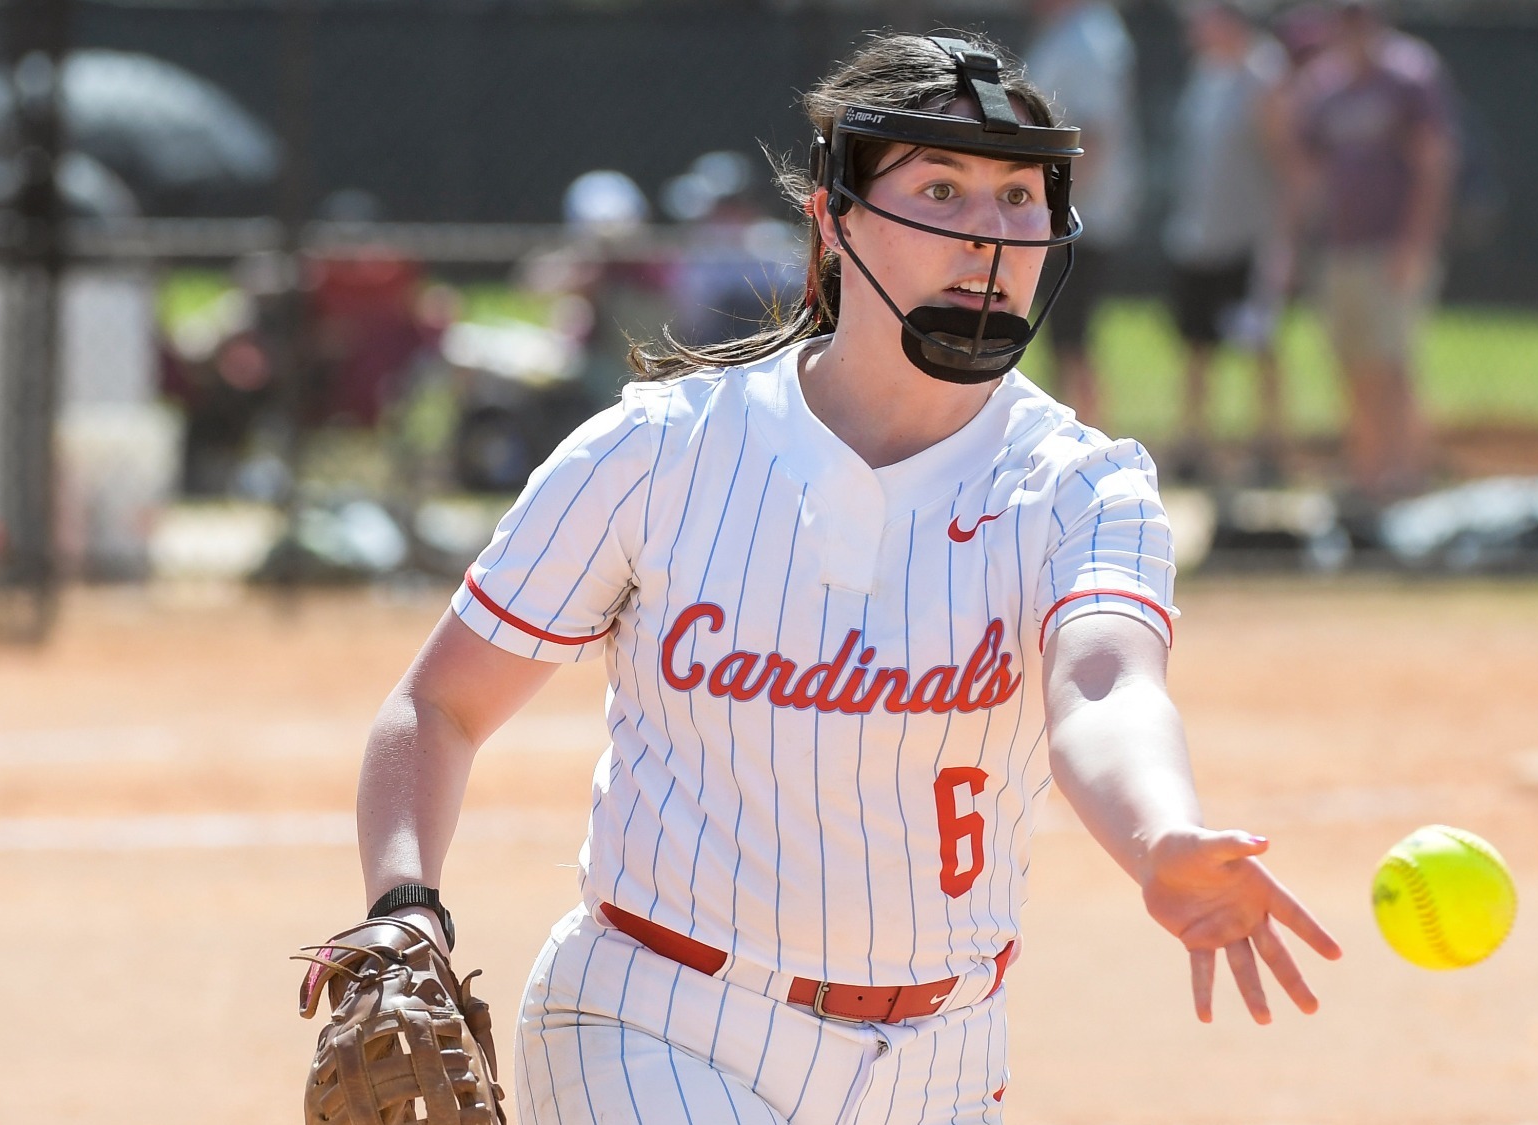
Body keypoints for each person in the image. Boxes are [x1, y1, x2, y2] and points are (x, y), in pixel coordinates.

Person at [346, 31, 1338, 1125]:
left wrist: (1158, 835)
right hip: (652, 1021)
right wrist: (403, 906)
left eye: (1019, 196)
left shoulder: (1082, 486)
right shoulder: (658, 451)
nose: (991, 233)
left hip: (945, 1059)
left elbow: (1104, 687)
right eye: (943, 189)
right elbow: (437, 704)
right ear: (835, 220)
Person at [1286, 0, 1455, 503]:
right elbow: (1305, 169)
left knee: (1393, 365)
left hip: (1390, 247)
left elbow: (1434, 163)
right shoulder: (1323, 85)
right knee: (1352, 366)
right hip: (1339, 247)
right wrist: (1297, 244)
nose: (1351, 25)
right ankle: (1367, 479)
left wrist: (1416, 243)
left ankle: (1406, 482)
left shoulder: (1409, 75)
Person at [1161, 1, 1294, 484]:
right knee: (1196, 343)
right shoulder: (1205, 73)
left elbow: (1285, 162)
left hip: (1247, 237)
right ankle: (1196, 445)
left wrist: (1282, 241)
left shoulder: (1264, 74)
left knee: (1258, 341)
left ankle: (1269, 445)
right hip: (1198, 235)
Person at [1024, 0, 1145, 430]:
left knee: (1072, 339)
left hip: (1079, 217)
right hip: (1064, 213)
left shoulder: (1089, 39)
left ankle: (1086, 445)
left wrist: (1057, 212)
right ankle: (1061, 439)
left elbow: (1095, 134)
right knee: (1059, 338)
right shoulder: (1068, 32)